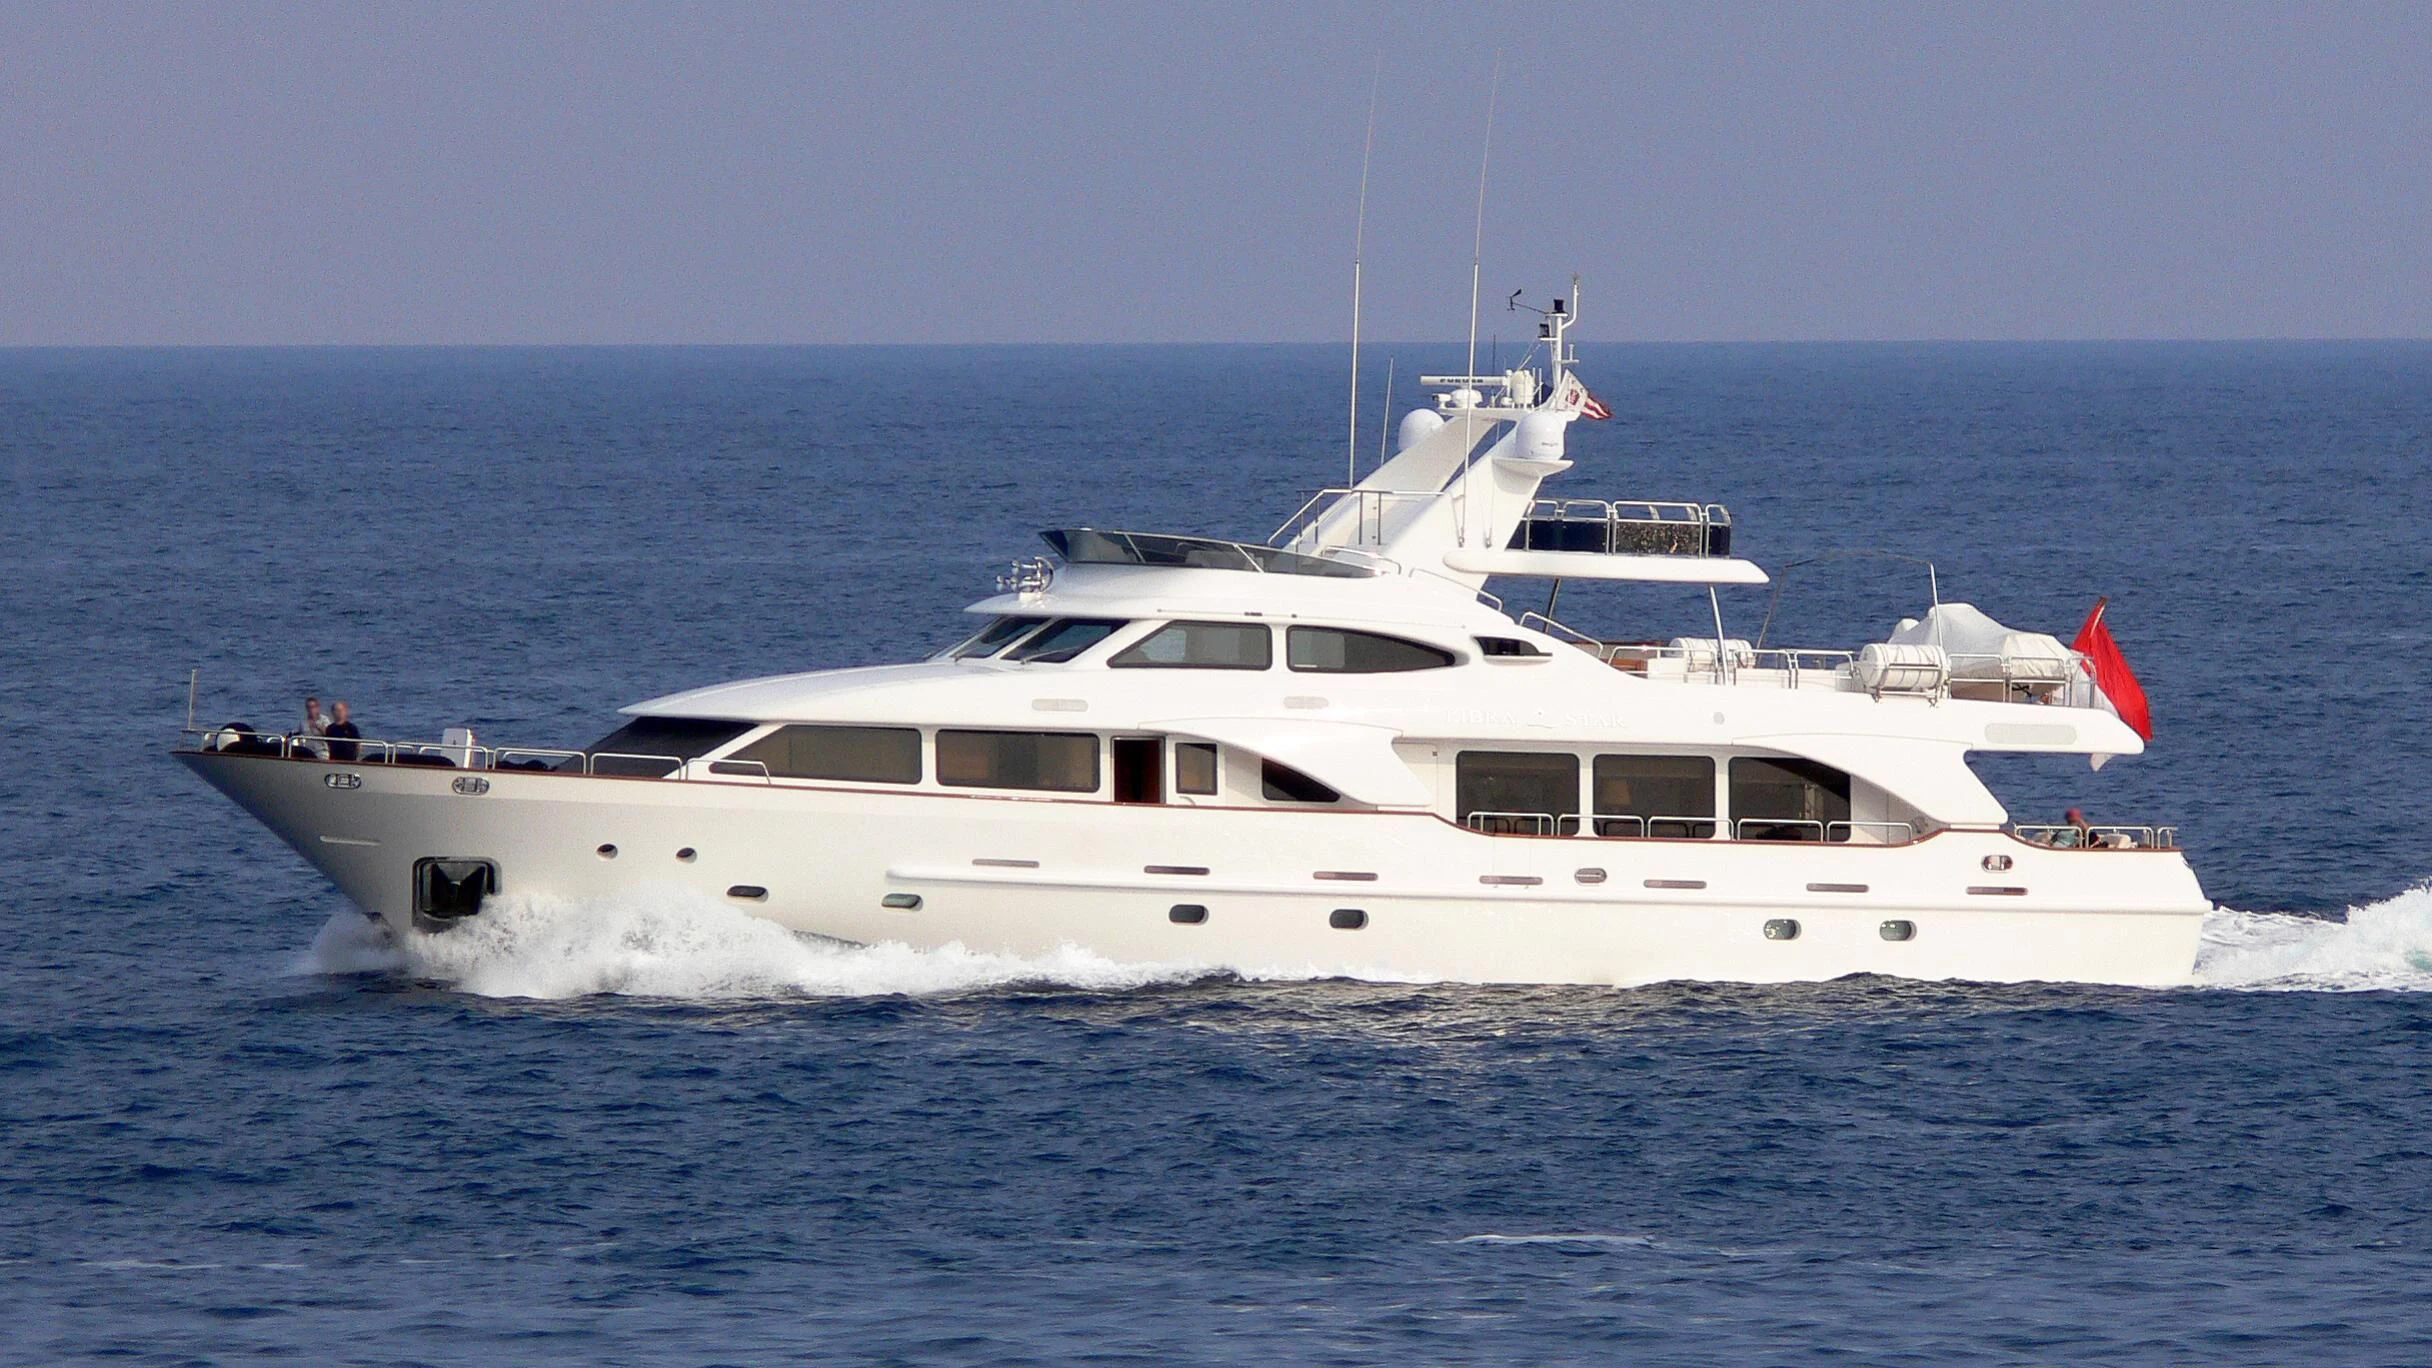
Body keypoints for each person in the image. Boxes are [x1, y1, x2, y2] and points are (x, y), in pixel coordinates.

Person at [300, 695, 332, 760]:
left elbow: (329, 734)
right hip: (308, 751)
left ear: (317, 708)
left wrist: (317, 726)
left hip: (322, 751)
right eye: (309, 707)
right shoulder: (303, 723)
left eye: (313, 707)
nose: (311, 710)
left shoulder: (324, 720)